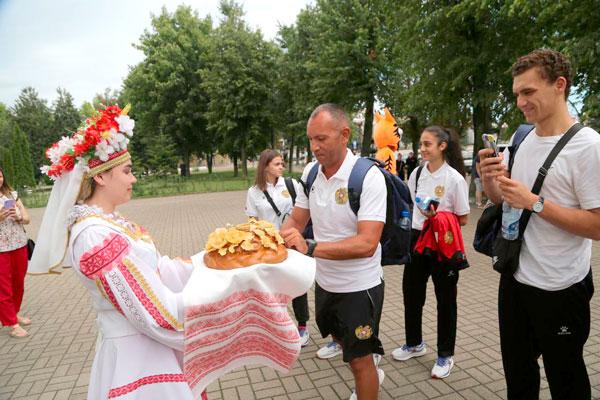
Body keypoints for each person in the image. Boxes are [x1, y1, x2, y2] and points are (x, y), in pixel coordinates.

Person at [29, 105, 202, 399]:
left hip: (147, 346)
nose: (133, 178)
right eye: (127, 171)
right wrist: (210, 306)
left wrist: (205, 262)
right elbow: (149, 310)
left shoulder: (111, 224)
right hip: (136, 356)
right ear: (99, 177)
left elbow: (155, 271)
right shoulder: (94, 234)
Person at [479, 49, 600, 399]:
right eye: (517, 93)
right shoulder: (523, 138)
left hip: (561, 288)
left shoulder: (588, 147)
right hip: (515, 279)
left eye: (528, 92)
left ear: (560, 85)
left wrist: (536, 203)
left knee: (567, 379)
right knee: (518, 377)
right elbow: (504, 200)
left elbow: (597, 226)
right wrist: (490, 182)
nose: (520, 102)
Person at [281, 103, 386, 400]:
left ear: (344, 134)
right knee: (341, 342)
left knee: (359, 362)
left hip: (359, 287)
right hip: (325, 283)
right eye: (310, 139)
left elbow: (367, 244)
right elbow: (298, 220)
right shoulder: (311, 173)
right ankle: (368, 365)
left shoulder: (368, 177)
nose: (314, 147)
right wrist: (269, 241)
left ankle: (369, 372)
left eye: (321, 139)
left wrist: (310, 247)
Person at [391, 126, 469, 379]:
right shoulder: (416, 173)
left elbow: (465, 218)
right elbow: (411, 205)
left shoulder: (454, 178)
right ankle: (414, 343)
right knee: (411, 295)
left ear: (442, 146)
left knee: (446, 301)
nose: (422, 149)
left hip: (442, 244)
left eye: (427, 144)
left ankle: (445, 355)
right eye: (421, 144)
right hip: (416, 240)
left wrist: (438, 218)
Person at [245, 149, 310, 347]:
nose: (281, 167)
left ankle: (302, 326)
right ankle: (277, 326)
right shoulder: (253, 192)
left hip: (291, 242)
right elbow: (253, 222)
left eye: (282, 163)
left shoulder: (291, 184)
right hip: (269, 246)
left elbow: (302, 212)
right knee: (272, 287)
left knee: (297, 283)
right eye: (277, 164)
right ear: (265, 167)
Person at [0, 166, 31, 338]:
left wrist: (18, 216)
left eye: (0, 176)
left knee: (18, 283)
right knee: (3, 287)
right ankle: (11, 323)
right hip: (1, 250)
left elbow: (27, 219)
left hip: (19, 244)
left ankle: (14, 313)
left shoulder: (12, 195)